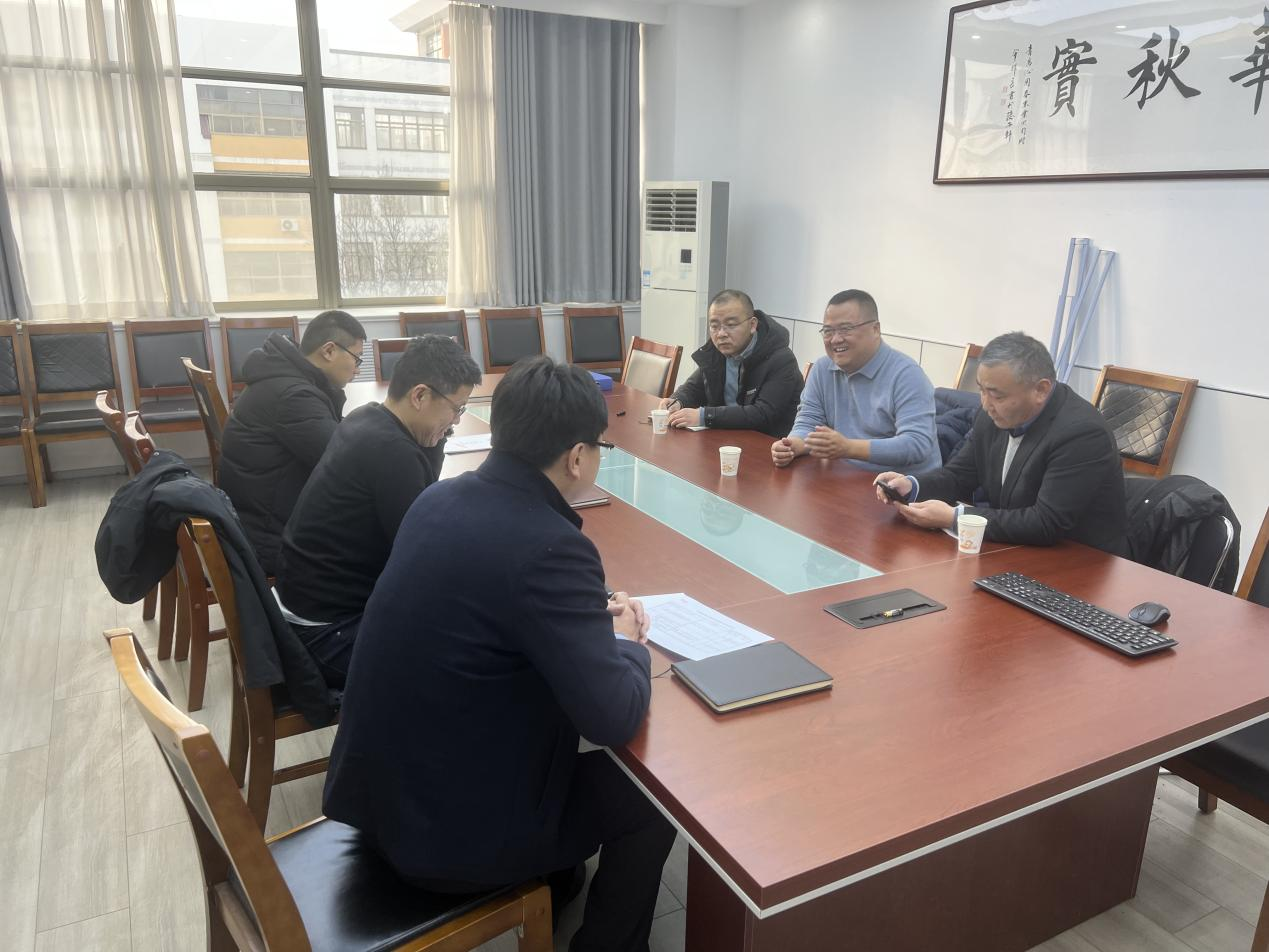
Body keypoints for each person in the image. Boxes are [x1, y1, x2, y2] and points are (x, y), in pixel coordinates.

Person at [323, 356, 675, 952]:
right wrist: (627, 645)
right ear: (577, 456)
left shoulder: (438, 500)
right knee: (654, 799)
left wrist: (587, 607)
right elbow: (612, 718)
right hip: (447, 841)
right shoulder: (550, 547)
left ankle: (553, 878)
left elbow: (491, 587)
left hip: (378, 800)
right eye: (601, 448)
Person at [274, 335, 482, 686]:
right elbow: (428, 562)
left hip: (302, 607)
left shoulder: (367, 418)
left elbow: (422, 507)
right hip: (326, 636)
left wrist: (437, 433)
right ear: (419, 395)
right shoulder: (391, 453)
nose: (457, 421)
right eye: (456, 409)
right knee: (481, 656)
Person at [873, 331, 1128, 554]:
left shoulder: (1081, 433)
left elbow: (1046, 522)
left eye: (997, 395)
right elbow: (959, 476)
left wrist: (955, 518)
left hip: (1080, 563)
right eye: (982, 390)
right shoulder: (991, 416)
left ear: (1041, 390)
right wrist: (912, 486)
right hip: (1015, 550)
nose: (985, 404)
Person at [219, 310, 367, 576]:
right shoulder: (294, 396)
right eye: (356, 358)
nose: (357, 369)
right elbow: (346, 464)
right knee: (380, 539)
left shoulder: (286, 379)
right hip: (270, 540)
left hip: (255, 520)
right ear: (329, 351)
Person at [771, 289, 940, 473]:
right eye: (828, 331)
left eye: (846, 329)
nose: (835, 339)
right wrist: (792, 445)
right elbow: (808, 422)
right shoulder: (822, 369)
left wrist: (848, 448)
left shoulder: (907, 374)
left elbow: (916, 444)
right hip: (846, 477)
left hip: (903, 484)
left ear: (875, 329)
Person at [658, 288, 803, 438]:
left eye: (731, 325)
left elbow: (763, 413)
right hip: (725, 439)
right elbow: (694, 388)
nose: (721, 334)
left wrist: (704, 416)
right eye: (714, 326)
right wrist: (678, 401)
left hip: (769, 444)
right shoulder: (718, 352)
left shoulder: (781, 359)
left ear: (752, 325)